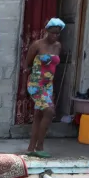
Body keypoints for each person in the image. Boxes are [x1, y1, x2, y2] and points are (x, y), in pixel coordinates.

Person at [25, 18, 65, 158]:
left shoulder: (58, 46)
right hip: (36, 84)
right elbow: (27, 65)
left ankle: (31, 148)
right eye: (52, 33)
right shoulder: (37, 45)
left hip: (48, 85)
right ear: (46, 31)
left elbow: (53, 65)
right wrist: (29, 85)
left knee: (39, 115)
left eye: (57, 33)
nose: (55, 36)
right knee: (49, 111)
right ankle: (40, 146)